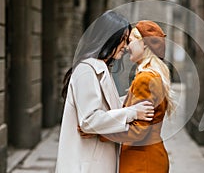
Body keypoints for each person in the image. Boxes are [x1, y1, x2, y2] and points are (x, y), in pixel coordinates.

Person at [55, 11, 155, 173]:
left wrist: (133, 98)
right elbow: (89, 120)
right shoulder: (87, 70)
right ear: (109, 37)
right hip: (86, 166)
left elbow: (107, 108)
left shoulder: (100, 69)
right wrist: (133, 112)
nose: (126, 46)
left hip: (98, 163)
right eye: (123, 39)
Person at [96, 20, 175, 173]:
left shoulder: (145, 79)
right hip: (148, 158)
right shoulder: (153, 75)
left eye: (130, 41)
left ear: (144, 44)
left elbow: (138, 132)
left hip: (141, 162)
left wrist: (98, 131)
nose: (126, 47)